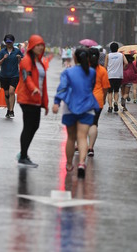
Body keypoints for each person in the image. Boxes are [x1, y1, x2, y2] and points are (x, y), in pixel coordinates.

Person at [53, 47, 99, 178]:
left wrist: (56, 102)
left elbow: (62, 87)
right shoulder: (91, 72)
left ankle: (68, 164)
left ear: (74, 58)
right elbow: (92, 86)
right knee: (83, 137)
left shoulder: (68, 72)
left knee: (71, 138)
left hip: (70, 108)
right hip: (87, 107)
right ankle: (81, 163)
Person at [15, 35, 49, 168]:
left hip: (36, 99)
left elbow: (43, 85)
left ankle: (23, 153)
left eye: (42, 45)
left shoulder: (40, 62)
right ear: (32, 46)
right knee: (29, 126)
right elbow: (26, 77)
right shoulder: (26, 61)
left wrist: (45, 103)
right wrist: (33, 88)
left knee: (34, 126)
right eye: (38, 45)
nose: (40, 47)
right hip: (27, 98)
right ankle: (23, 156)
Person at [0, 34, 23, 118]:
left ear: (13, 42)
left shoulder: (17, 51)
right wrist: (3, 58)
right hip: (4, 75)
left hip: (14, 75)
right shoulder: (2, 51)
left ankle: (12, 110)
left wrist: (19, 58)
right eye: (7, 42)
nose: (9, 44)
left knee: (11, 91)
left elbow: (23, 62)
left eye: (10, 42)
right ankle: (8, 109)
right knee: (6, 93)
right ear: (5, 42)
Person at [86, 47, 110, 156]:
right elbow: (105, 88)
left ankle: (80, 144)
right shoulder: (102, 71)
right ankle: (90, 148)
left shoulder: (83, 69)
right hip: (97, 100)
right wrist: (104, 99)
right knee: (94, 124)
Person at [105, 41, 124, 113]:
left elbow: (105, 66)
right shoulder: (121, 55)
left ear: (110, 48)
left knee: (109, 92)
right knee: (116, 91)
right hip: (119, 76)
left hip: (110, 76)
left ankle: (110, 107)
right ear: (117, 48)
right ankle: (115, 102)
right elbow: (126, 63)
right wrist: (121, 68)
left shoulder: (108, 55)